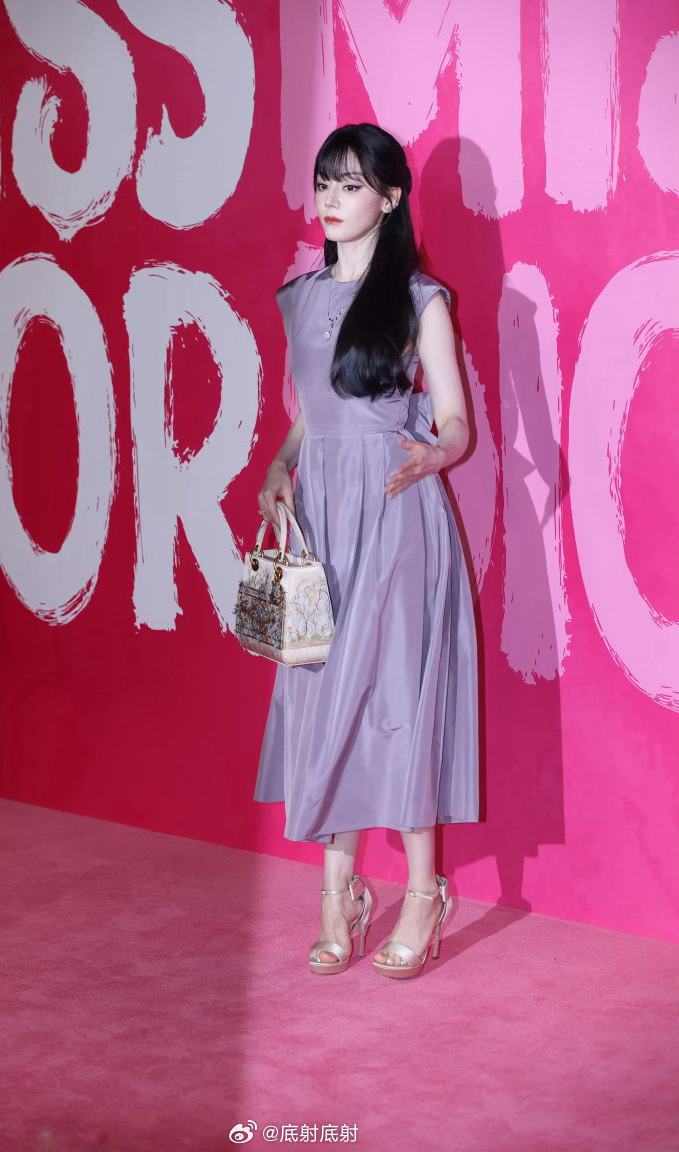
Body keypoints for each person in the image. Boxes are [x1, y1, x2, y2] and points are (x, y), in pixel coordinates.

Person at [254, 123, 479, 980]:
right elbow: (312, 411)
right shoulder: (300, 297)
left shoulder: (420, 299)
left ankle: (422, 893)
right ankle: (338, 894)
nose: (332, 199)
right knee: (323, 700)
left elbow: (455, 423)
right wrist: (280, 464)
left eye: (351, 185)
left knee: (396, 699)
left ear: (390, 198)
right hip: (320, 520)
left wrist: (436, 455)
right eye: (325, 183)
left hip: (394, 517)